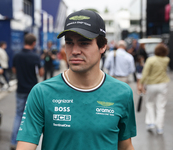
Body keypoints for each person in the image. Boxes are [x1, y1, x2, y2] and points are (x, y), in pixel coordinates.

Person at [16, 10, 136, 150]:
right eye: (69, 42)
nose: (74, 51)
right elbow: (25, 144)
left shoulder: (122, 92)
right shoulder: (42, 92)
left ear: (102, 46)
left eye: (84, 43)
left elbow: (126, 146)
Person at [10, 33, 44, 150]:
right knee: (31, 117)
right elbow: (41, 73)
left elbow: (14, 70)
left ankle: (13, 142)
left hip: (20, 89)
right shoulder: (35, 56)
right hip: (32, 91)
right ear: (33, 43)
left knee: (18, 115)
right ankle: (29, 143)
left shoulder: (17, 55)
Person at [138, 43, 170, 134]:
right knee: (161, 106)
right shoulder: (166, 60)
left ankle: (151, 123)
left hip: (151, 84)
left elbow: (145, 73)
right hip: (163, 84)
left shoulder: (150, 60)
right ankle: (160, 127)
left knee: (150, 103)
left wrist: (141, 83)